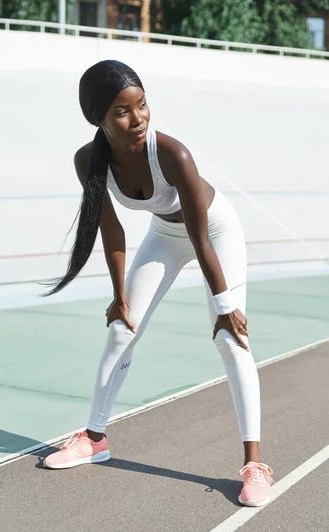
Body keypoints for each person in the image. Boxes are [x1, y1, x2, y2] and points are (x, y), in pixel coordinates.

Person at [43, 60, 275, 507]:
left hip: (214, 231)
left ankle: (254, 463)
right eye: (123, 112)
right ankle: (94, 439)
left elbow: (200, 234)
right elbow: (111, 231)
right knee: (120, 331)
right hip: (162, 236)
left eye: (142, 105)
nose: (138, 119)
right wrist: (118, 298)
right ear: (100, 119)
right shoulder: (89, 161)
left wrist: (225, 306)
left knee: (231, 339)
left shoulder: (172, 153)